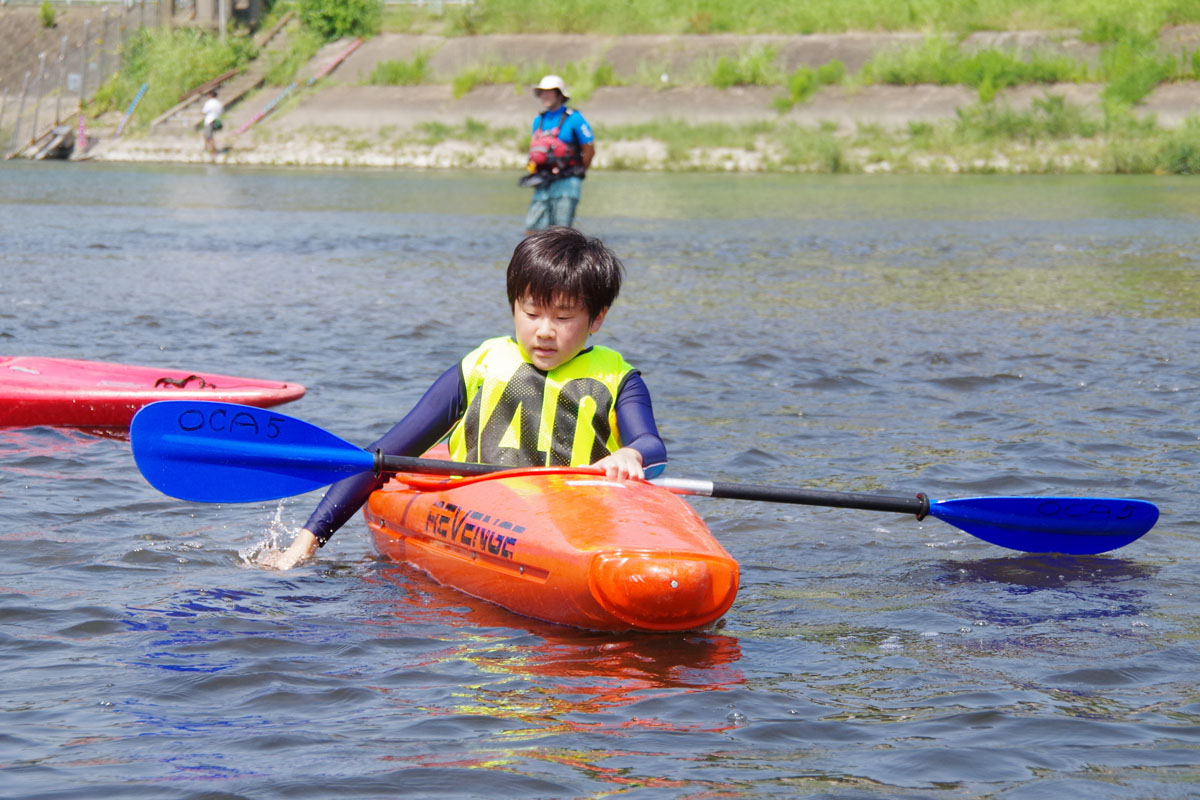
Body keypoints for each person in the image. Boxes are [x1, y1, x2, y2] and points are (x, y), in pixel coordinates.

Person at [261, 227, 666, 570]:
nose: (544, 331)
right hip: (485, 512)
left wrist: (632, 455)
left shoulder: (620, 378)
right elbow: (384, 454)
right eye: (531, 313)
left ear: (597, 319)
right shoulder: (480, 366)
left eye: (563, 318)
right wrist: (304, 546)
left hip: (577, 515)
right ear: (513, 306)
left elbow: (651, 446)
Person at [522, 75, 595, 234]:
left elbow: (589, 149)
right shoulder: (538, 120)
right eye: (542, 92)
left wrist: (578, 172)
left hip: (567, 180)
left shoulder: (575, 118)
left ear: (560, 95)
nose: (545, 96)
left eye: (549, 92)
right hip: (543, 179)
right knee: (532, 228)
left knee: (561, 232)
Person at [201, 90, 223, 158]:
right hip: (216, 121)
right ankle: (206, 148)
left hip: (209, 121)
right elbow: (221, 111)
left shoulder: (209, 102)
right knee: (206, 135)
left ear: (211, 95)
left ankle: (213, 152)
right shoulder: (218, 103)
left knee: (209, 137)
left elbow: (204, 111)